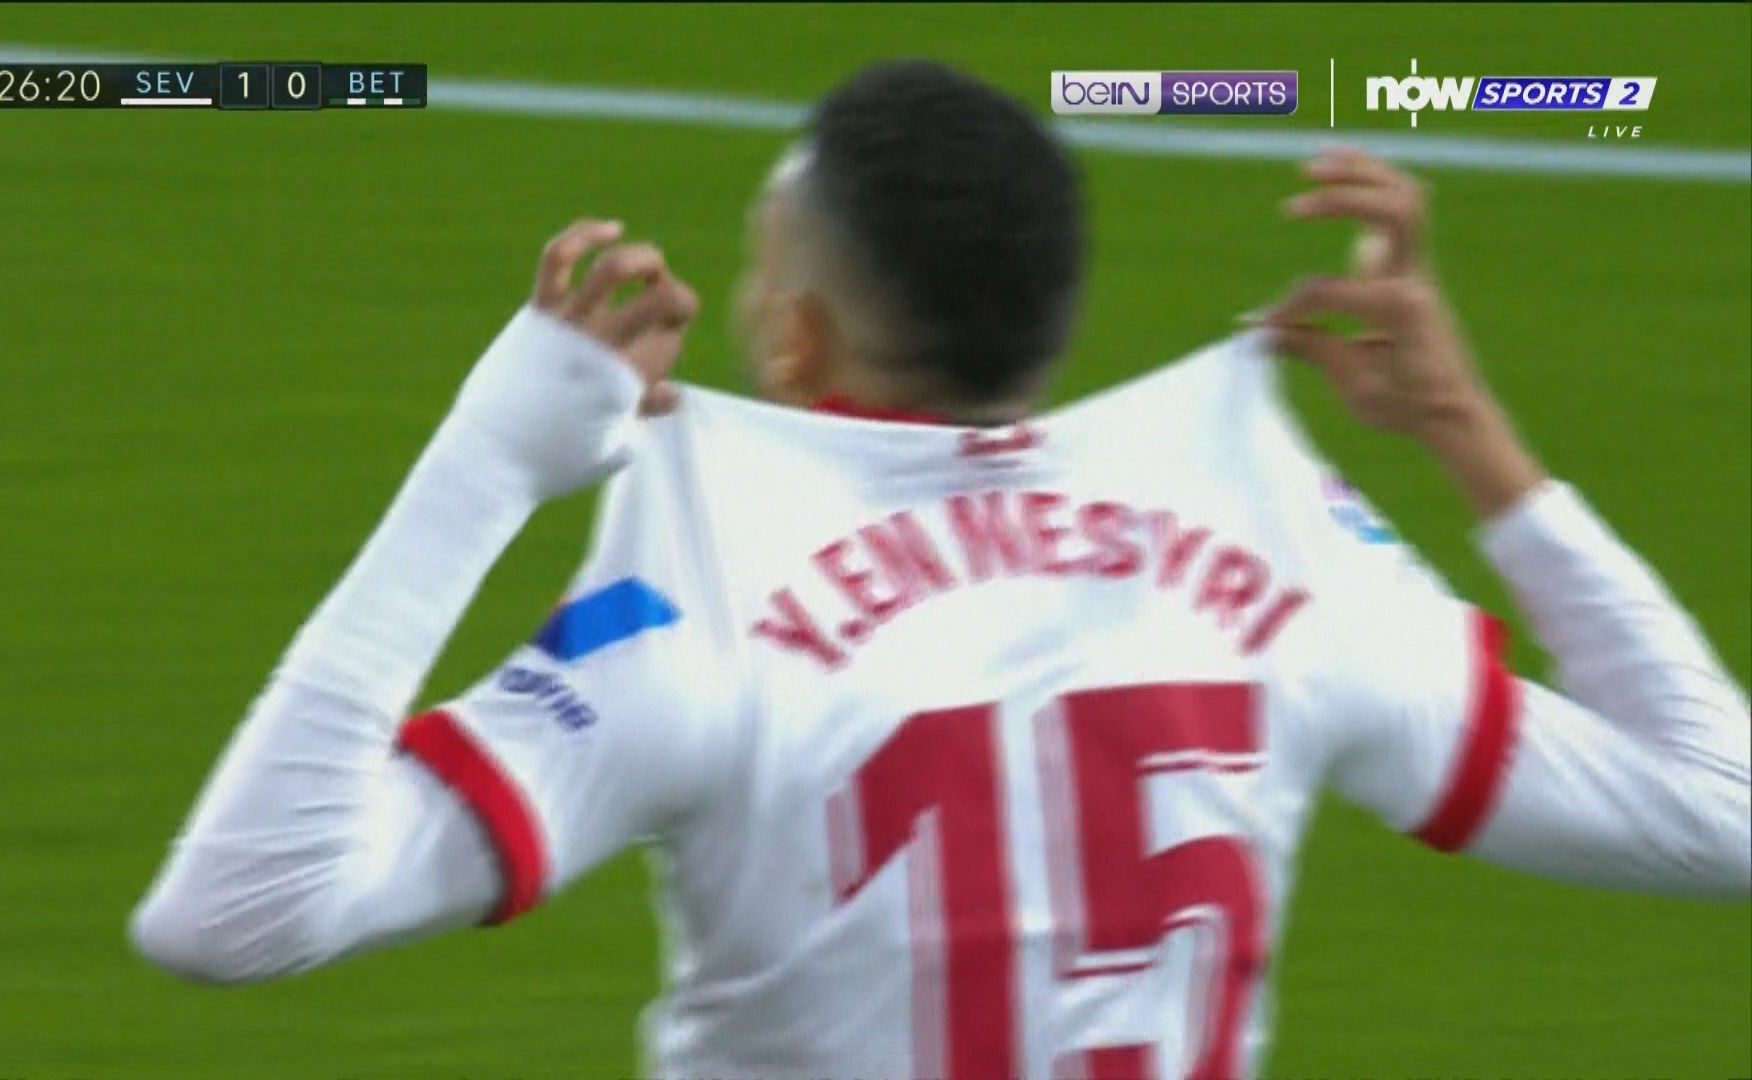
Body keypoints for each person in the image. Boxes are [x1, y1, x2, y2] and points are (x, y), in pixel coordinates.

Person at [129, 60, 1750, 1080]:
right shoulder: (1284, 556)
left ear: (792, 337)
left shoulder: (697, 623)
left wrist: (486, 463)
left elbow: (235, 910)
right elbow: (1723, 817)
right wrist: (1467, 432)